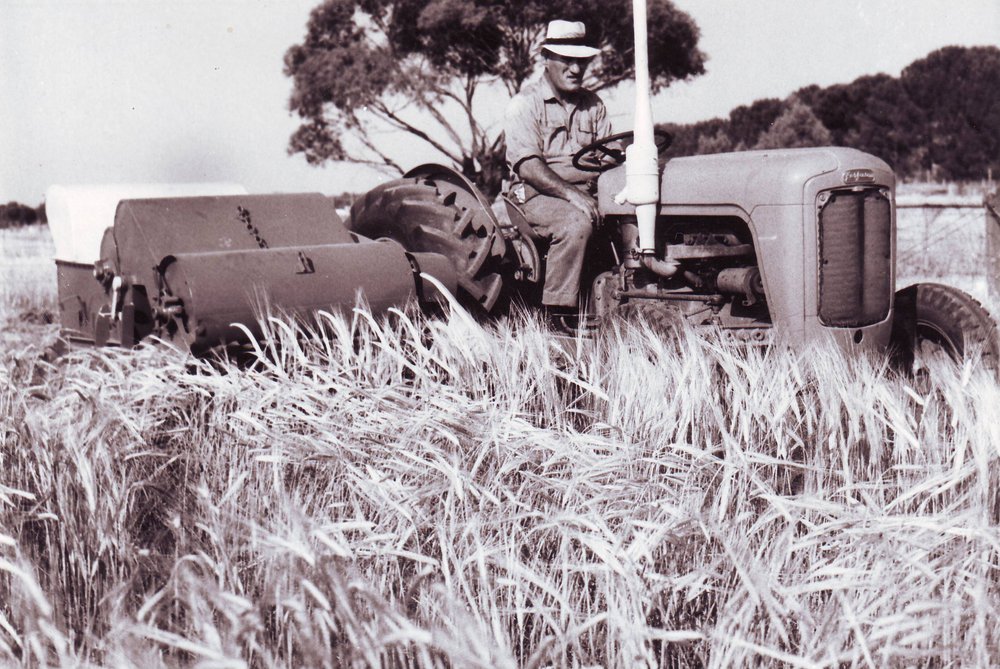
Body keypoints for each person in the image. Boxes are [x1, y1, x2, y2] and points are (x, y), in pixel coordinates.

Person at [504, 19, 612, 325]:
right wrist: (573, 196)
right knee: (575, 223)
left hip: (588, 193)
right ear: (546, 59)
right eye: (567, 60)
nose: (576, 69)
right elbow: (528, 167)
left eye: (582, 61)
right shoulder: (525, 104)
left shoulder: (594, 105)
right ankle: (558, 314)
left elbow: (610, 157)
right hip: (533, 195)